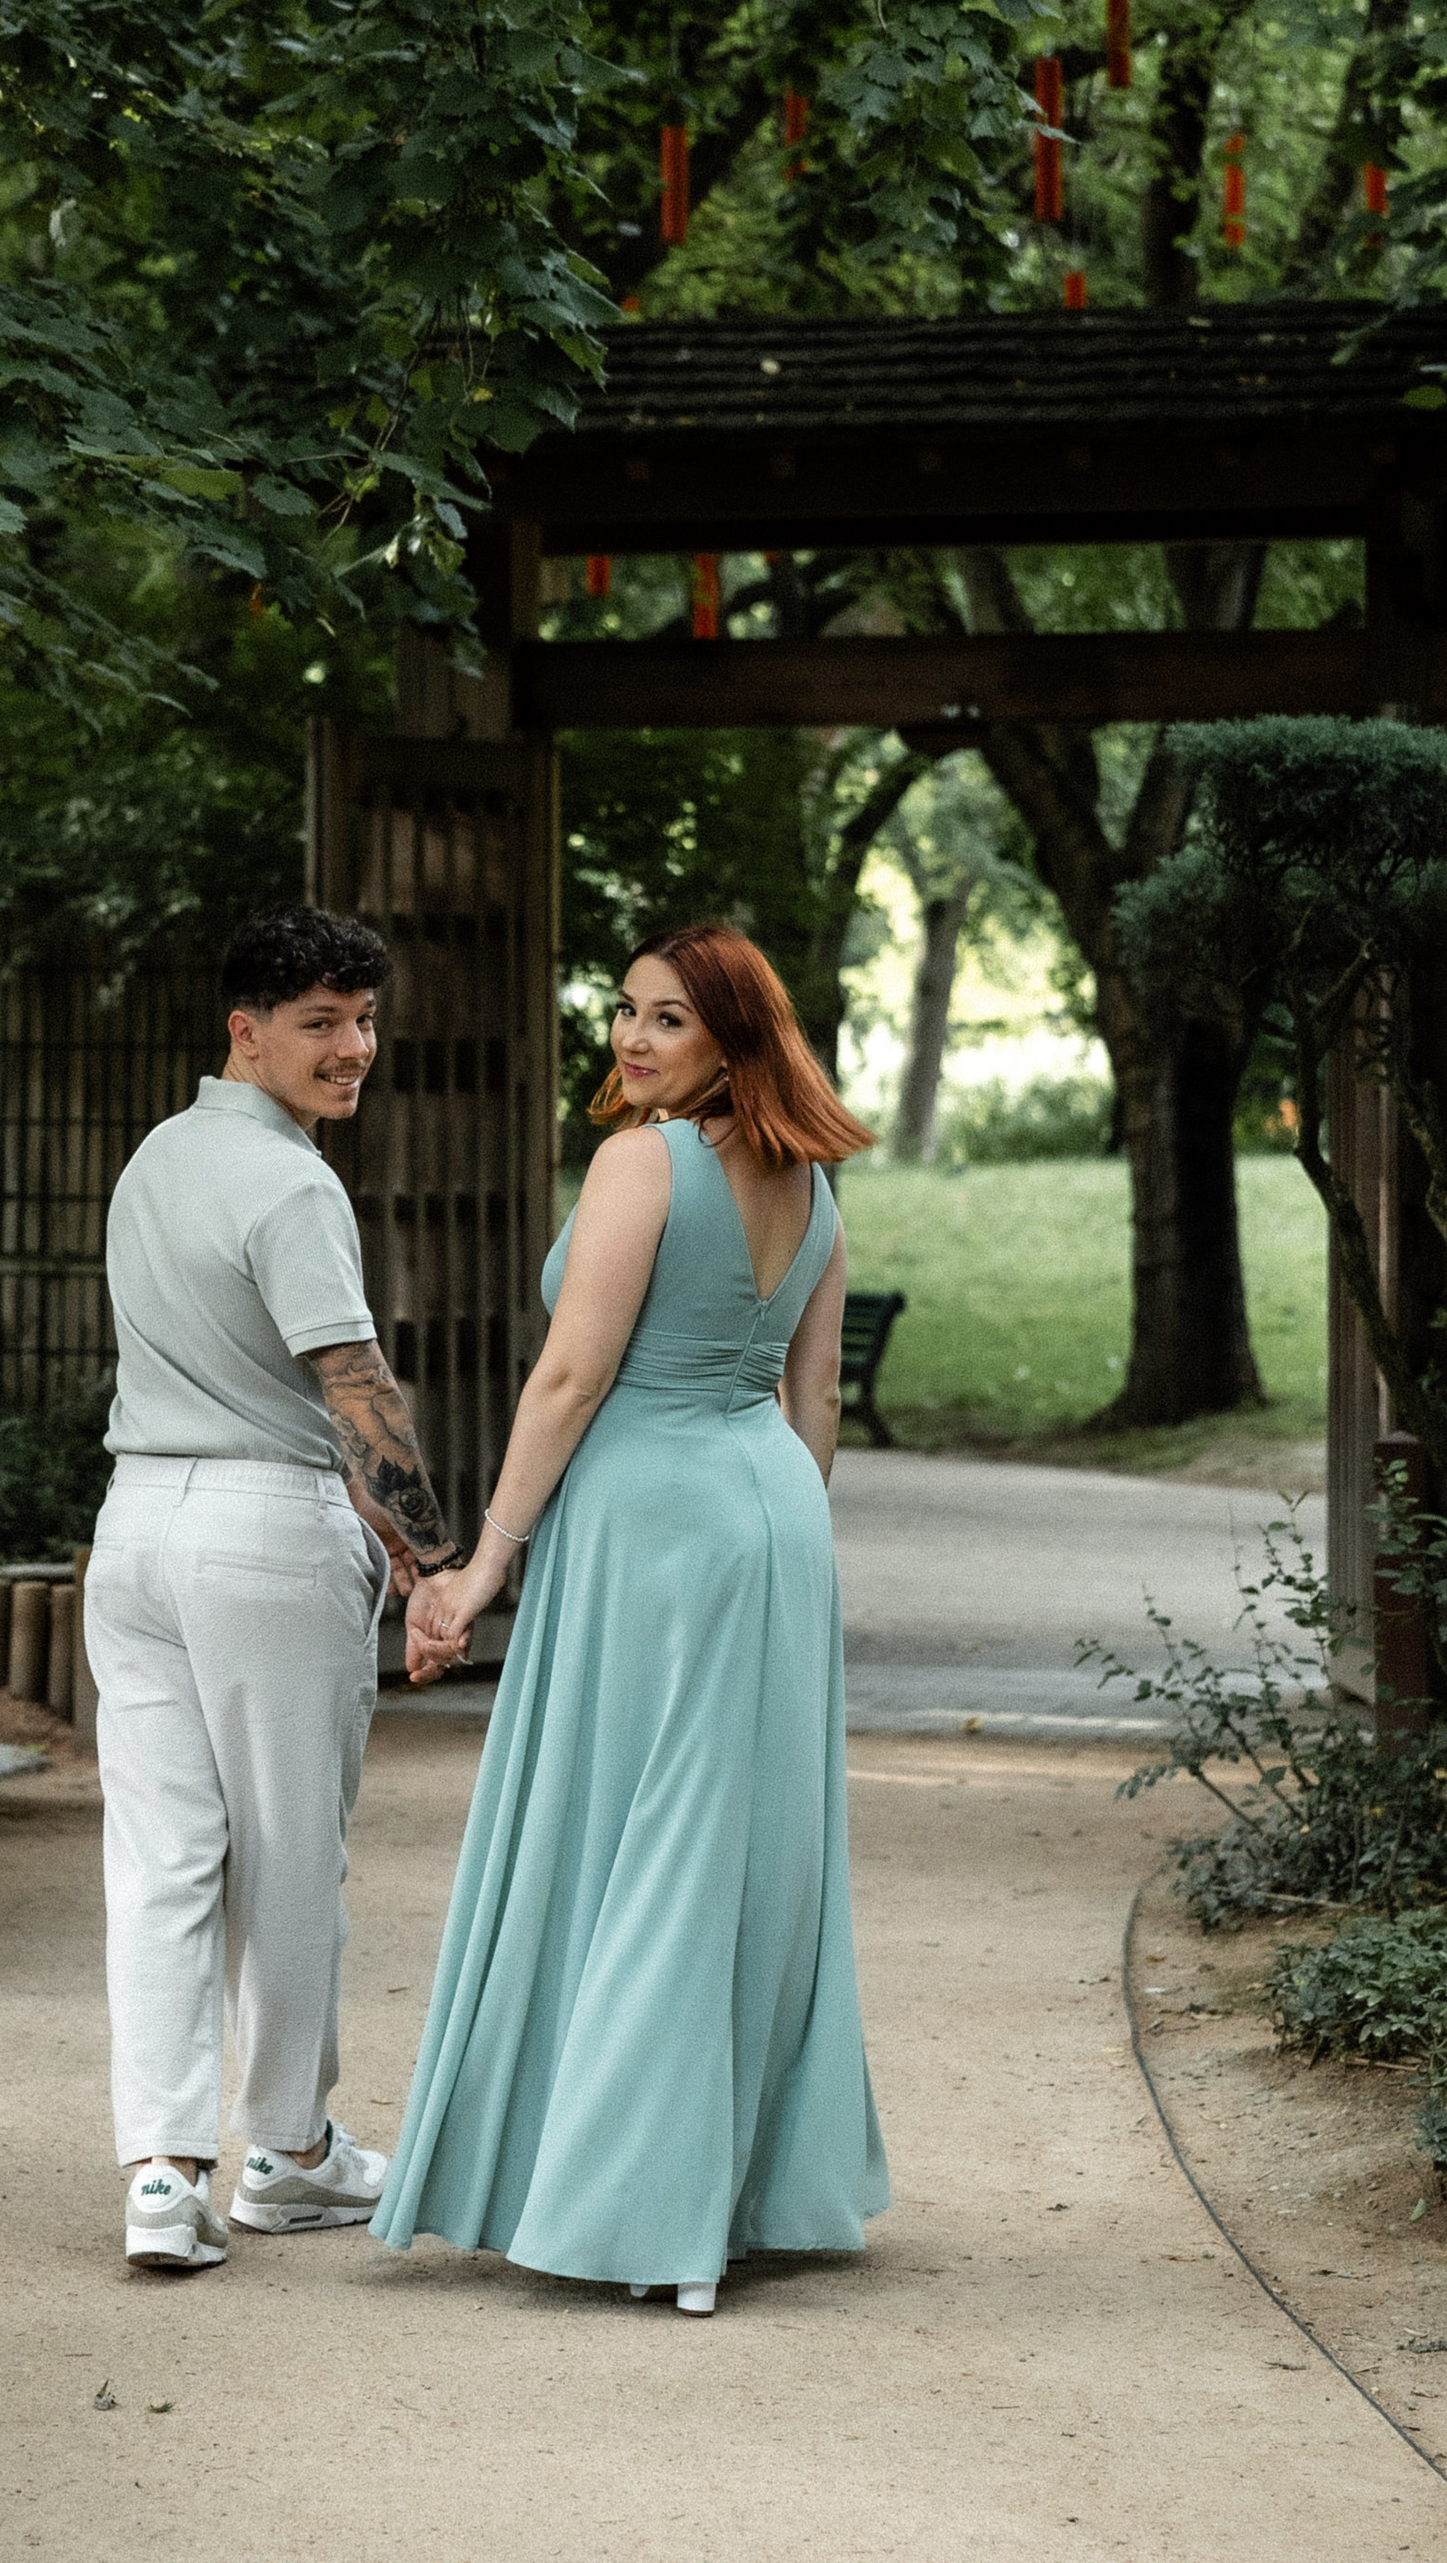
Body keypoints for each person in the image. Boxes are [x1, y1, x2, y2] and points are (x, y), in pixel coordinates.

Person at [373, 923, 890, 2315]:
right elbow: (817, 1393)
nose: (630, 1036)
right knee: (741, 1849)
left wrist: (481, 1565)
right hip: (774, 1515)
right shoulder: (814, 1182)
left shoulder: (642, 1165)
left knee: (647, 1842)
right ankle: (725, 2193)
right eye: (622, 1009)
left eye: (668, 1017)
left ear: (734, 1036)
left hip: (651, 1524)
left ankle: (639, 2207)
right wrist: (778, 1532)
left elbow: (567, 1381)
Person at [86, 905, 469, 2274]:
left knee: (166, 1856)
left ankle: (161, 2172)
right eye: (320, 1020)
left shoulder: (154, 1159)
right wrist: (437, 1560)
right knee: (292, 1856)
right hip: (262, 1528)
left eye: (364, 1017)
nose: (353, 1046)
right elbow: (356, 1395)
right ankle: (294, 2153)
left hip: (133, 1529)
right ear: (242, 1031)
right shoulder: (295, 1186)